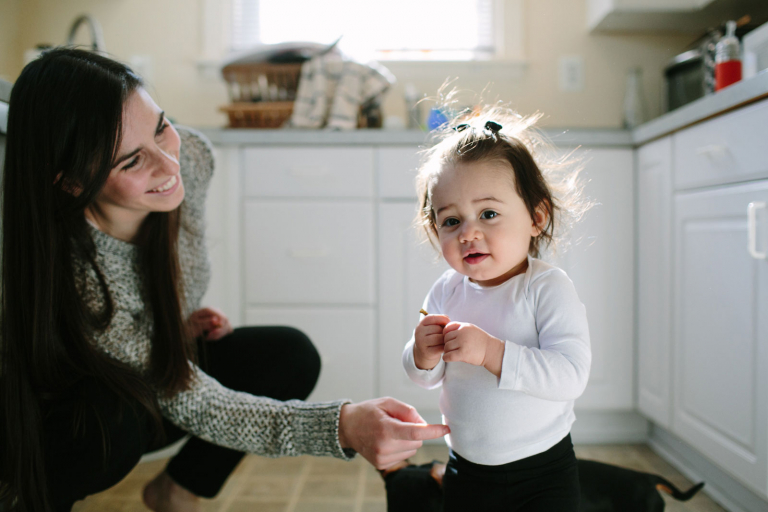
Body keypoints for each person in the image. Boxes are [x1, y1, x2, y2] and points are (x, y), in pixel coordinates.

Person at [0, 47, 449, 512]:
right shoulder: (82, 278)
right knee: (105, 424)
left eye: (160, 127)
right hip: (67, 422)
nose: (167, 164)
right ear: (71, 181)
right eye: (132, 162)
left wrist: (171, 323)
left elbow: (157, 289)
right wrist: (342, 424)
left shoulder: (190, 157)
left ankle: (178, 490)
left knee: (285, 355)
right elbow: (190, 400)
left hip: (144, 374)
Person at [401, 108, 592, 511]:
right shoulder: (445, 291)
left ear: (536, 217)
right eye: (451, 220)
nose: (468, 232)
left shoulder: (546, 288)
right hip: (466, 471)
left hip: (543, 473)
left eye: (488, 214)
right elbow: (427, 378)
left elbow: (570, 376)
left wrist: (492, 354)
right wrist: (420, 355)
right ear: (435, 230)